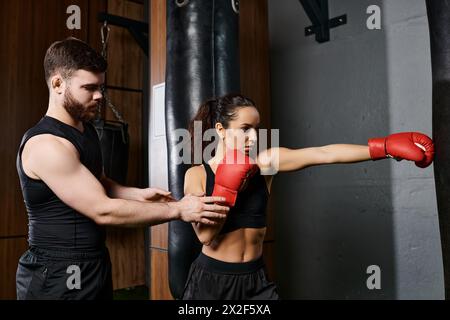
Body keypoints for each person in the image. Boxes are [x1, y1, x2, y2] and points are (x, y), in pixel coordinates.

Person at [15, 37, 229, 300]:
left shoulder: (86, 128)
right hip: (57, 271)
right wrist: (179, 209)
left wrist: (138, 194)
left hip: (93, 262)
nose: (99, 96)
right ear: (58, 83)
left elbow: (98, 181)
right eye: (89, 87)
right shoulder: (46, 144)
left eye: (101, 87)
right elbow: (102, 210)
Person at [182, 94, 434, 300]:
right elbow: (205, 236)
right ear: (220, 130)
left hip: (255, 279)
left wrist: (384, 148)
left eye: (256, 129)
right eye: (245, 129)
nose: (254, 138)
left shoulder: (265, 163)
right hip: (211, 283)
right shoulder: (197, 175)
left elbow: (323, 154)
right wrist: (226, 187)